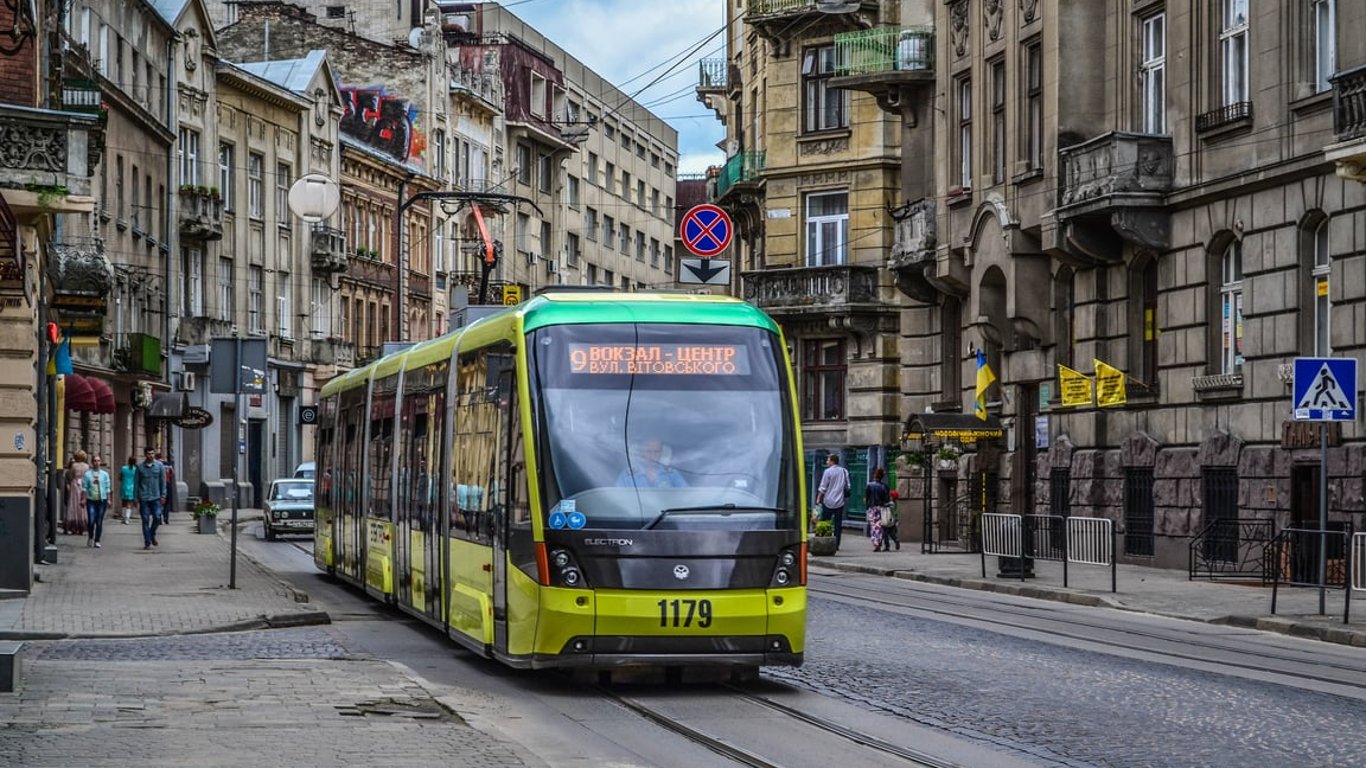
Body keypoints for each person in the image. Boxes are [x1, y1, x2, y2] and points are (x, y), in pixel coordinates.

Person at [616, 439, 687, 489]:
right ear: (643, 453)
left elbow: (686, 495)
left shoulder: (672, 474)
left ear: (661, 453)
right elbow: (617, 500)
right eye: (648, 451)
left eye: (656, 452)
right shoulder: (627, 476)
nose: (652, 455)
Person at [815, 453, 850, 551]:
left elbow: (823, 487)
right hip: (840, 501)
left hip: (828, 501)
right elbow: (848, 486)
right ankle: (836, 544)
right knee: (838, 525)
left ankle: (823, 540)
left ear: (832, 461)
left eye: (828, 460)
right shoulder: (844, 471)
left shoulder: (827, 472)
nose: (827, 462)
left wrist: (818, 498)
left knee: (825, 522)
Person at [133, 447, 167, 550]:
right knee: (145, 519)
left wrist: (163, 495)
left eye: (152, 453)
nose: (151, 455)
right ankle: (147, 541)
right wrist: (135, 498)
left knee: (157, 517)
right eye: (149, 454)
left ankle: (152, 534)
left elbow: (163, 482)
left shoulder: (160, 466)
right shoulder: (140, 467)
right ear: (145, 454)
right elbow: (136, 483)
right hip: (144, 498)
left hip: (156, 497)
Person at [81, 455, 112, 548]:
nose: (96, 462)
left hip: (102, 500)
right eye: (94, 461)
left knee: (99, 521)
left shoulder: (104, 474)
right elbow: (84, 487)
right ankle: (90, 537)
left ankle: (97, 540)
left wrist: (109, 499)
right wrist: (83, 498)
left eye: (98, 461)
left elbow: (107, 488)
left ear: (100, 462)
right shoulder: (87, 474)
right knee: (91, 520)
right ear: (92, 462)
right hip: (91, 499)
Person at [63, 451, 90, 536]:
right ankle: (82, 525)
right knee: (83, 506)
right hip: (84, 485)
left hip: (75, 485)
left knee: (74, 505)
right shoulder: (87, 466)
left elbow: (70, 475)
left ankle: (74, 526)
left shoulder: (74, 466)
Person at [865, 467, 891, 552]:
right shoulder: (884, 486)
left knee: (874, 527)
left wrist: (867, 506)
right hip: (882, 508)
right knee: (882, 526)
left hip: (872, 508)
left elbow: (866, 498)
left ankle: (876, 543)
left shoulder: (869, 485)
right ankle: (883, 543)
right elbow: (887, 499)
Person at [118, 457, 137, 524]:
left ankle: (123, 517)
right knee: (129, 503)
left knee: (123, 502)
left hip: (124, 486)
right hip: (132, 487)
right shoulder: (135, 470)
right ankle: (127, 518)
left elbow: (119, 478)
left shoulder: (123, 468)